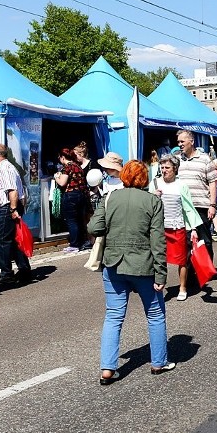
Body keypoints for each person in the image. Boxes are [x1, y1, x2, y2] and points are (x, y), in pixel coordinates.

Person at [88, 160, 174, 385]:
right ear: (144, 179)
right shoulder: (153, 201)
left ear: (124, 176)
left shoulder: (109, 198)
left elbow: (93, 228)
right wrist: (161, 274)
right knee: (155, 314)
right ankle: (158, 362)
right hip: (143, 266)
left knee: (113, 316)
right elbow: (158, 242)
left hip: (114, 265)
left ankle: (107, 368)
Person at [152, 153, 202, 301]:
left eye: (167, 167)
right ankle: (159, 286)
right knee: (158, 259)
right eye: (162, 167)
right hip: (159, 228)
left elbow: (188, 208)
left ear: (175, 168)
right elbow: (147, 205)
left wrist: (193, 229)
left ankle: (182, 287)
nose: (164, 170)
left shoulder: (181, 186)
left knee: (182, 260)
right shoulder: (154, 183)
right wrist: (154, 195)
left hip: (177, 227)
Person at [0, 144, 32, 286]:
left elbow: (12, 190)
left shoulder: (5, 168)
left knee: (2, 239)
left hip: (8, 206)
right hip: (10, 206)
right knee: (14, 239)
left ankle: (6, 272)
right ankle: (24, 269)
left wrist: (13, 209)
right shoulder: (3, 168)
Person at [175, 129, 217, 261]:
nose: (180, 144)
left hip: (201, 205)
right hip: (182, 207)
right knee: (187, 241)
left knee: (205, 240)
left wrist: (212, 205)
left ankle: (207, 267)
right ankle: (191, 269)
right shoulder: (176, 159)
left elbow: (212, 182)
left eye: (182, 141)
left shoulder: (204, 159)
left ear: (191, 141)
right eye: (178, 142)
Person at [54, 148, 88, 252]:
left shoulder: (67, 167)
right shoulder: (78, 166)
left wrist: (56, 177)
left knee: (71, 221)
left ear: (63, 157)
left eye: (59, 158)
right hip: (81, 195)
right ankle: (82, 241)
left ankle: (74, 245)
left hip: (70, 195)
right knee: (79, 220)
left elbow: (62, 183)